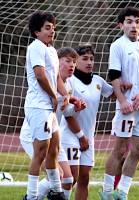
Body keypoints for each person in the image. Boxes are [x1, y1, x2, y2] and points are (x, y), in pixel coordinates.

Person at [100, 7, 139, 200]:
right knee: (120, 150)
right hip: (126, 108)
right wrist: (122, 100)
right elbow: (114, 76)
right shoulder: (117, 45)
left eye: (137, 22)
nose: (134, 25)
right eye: (129, 21)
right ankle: (107, 192)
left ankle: (122, 193)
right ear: (121, 25)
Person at [20, 47, 87, 200]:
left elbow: (66, 113)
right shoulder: (48, 82)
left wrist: (76, 108)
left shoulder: (68, 85)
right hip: (33, 134)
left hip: (52, 134)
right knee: (57, 176)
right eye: (68, 61)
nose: (72, 65)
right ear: (57, 62)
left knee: (68, 179)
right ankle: (31, 197)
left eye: (74, 62)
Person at [22, 11, 69, 200]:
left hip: (48, 108)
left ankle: (56, 191)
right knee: (40, 152)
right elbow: (40, 75)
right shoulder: (36, 47)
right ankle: (31, 196)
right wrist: (53, 96)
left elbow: (56, 76)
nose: (52, 31)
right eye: (47, 28)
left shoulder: (51, 49)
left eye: (53, 28)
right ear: (36, 32)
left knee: (54, 150)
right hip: (38, 106)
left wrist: (65, 94)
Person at [59, 44, 114, 200]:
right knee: (71, 177)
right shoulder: (70, 81)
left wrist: (123, 82)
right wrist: (81, 136)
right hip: (71, 135)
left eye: (91, 59)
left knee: (84, 178)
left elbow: (114, 94)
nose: (89, 62)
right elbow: (67, 115)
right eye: (84, 59)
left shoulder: (98, 80)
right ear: (76, 61)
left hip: (88, 137)